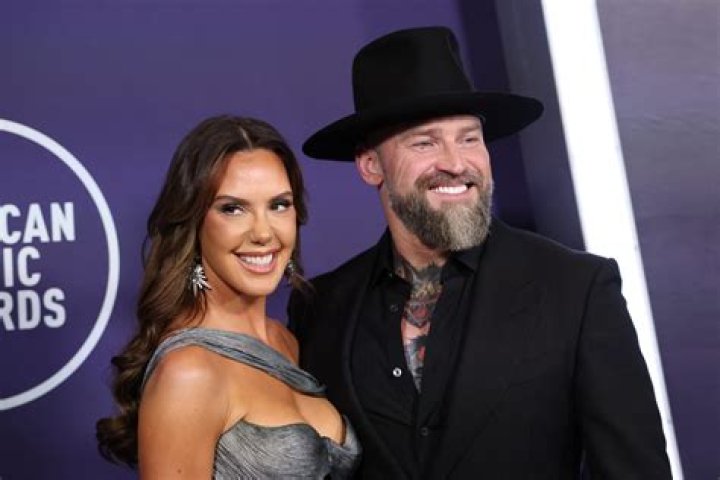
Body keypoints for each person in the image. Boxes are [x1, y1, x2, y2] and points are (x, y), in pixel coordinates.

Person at [288, 26, 672, 479]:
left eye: (469, 138)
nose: (456, 163)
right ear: (371, 165)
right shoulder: (321, 307)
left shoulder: (576, 289)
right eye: (425, 142)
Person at [96, 115, 360, 479]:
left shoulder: (285, 340)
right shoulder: (188, 372)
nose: (263, 233)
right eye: (233, 208)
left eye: (279, 205)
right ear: (193, 222)